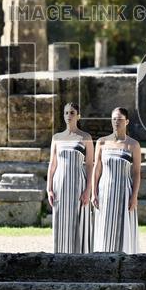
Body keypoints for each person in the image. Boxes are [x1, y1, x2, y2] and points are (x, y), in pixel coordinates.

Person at [46, 102, 94, 253]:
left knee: (77, 220)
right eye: (66, 113)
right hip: (60, 183)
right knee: (61, 219)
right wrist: (49, 189)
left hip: (78, 184)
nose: (69, 116)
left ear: (78, 116)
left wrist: (88, 190)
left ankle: (79, 257)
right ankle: (59, 256)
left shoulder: (85, 137)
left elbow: (89, 165)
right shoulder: (57, 137)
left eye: (72, 113)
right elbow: (52, 164)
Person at [92, 107, 140, 254]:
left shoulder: (133, 144)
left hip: (124, 191)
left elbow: (137, 173)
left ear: (127, 122)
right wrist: (94, 192)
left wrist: (134, 196)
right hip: (105, 190)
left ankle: (125, 262)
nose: (116, 122)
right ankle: (103, 259)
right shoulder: (101, 142)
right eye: (114, 119)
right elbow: (97, 168)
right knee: (105, 226)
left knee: (122, 227)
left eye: (119, 119)